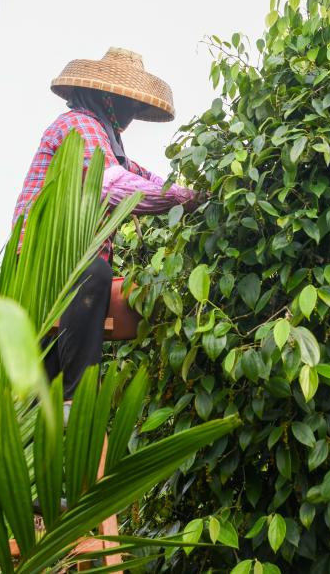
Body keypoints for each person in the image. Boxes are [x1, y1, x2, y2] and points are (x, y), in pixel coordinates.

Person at [12, 48, 199, 401]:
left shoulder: (107, 142)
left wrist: (193, 195)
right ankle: (77, 397)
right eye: (127, 103)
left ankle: (44, 403)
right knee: (95, 274)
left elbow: (148, 179)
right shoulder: (79, 125)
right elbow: (115, 185)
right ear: (106, 97)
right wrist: (181, 200)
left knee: (50, 365)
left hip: (65, 267)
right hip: (44, 260)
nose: (130, 115)